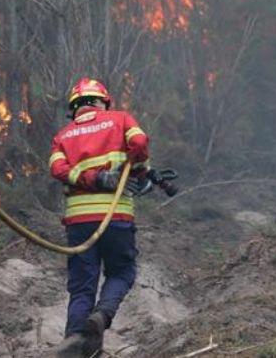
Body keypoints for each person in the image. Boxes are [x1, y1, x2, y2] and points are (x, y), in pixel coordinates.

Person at [50, 78, 165, 357]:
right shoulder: (120, 119)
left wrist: (94, 178)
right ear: (102, 102)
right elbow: (138, 142)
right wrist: (136, 170)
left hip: (79, 223)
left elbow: (57, 169)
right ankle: (102, 315)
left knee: (81, 288)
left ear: (74, 107)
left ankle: (75, 345)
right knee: (122, 272)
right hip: (116, 217)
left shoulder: (63, 136)